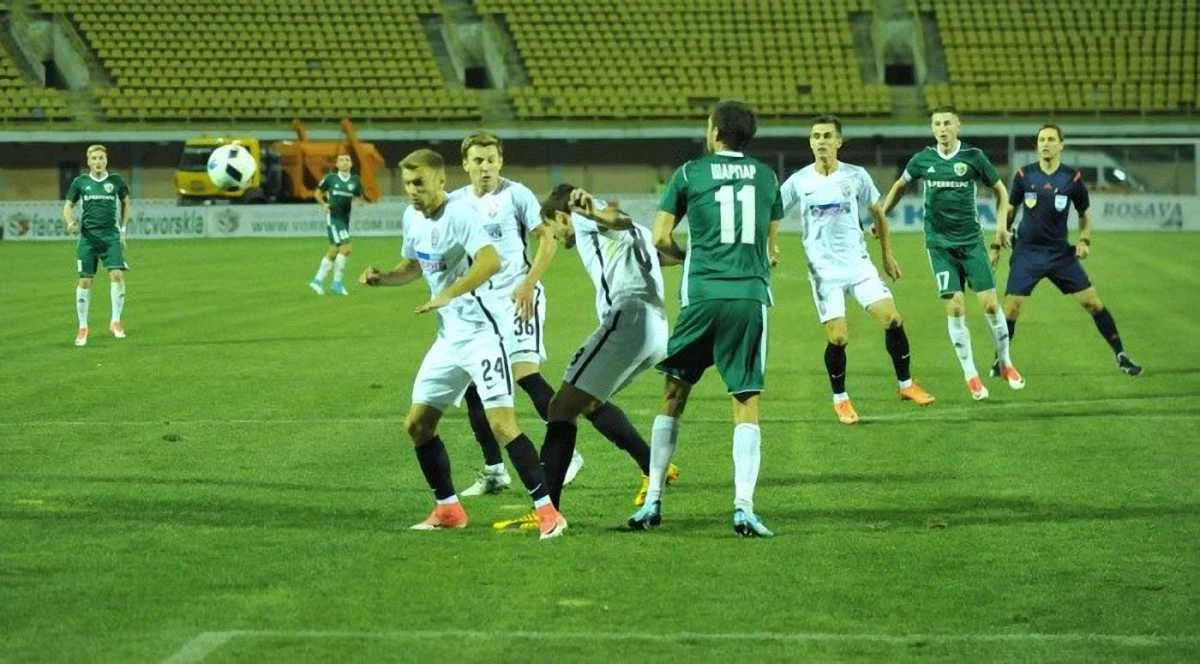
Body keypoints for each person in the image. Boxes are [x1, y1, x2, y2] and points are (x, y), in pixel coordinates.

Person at [358, 148, 566, 540]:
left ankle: (549, 513)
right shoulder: (411, 218)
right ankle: (448, 509)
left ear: (441, 181)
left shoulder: (462, 214)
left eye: (419, 183)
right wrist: (382, 278)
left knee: (502, 424)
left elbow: (490, 262)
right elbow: (413, 266)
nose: (412, 190)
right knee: (418, 424)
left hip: (482, 335)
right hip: (448, 339)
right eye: (407, 184)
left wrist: (449, 294)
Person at [448, 131, 653, 513]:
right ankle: (494, 470)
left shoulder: (517, 195)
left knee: (527, 375)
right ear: (465, 164)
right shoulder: (455, 202)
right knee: (475, 384)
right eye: (478, 160)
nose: (486, 166)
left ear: (501, 161)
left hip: (518, 299)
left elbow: (547, 240)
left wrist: (528, 284)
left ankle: (569, 455)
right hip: (478, 307)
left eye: (491, 159)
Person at [628, 100, 781, 538]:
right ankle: (743, 507)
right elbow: (772, 249)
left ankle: (653, 499)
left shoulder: (689, 173)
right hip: (748, 297)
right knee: (745, 399)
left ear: (715, 132)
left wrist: (687, 256)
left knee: (674, 394)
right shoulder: (767, 177)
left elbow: (660, 237)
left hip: (702, 296)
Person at [535, 185, 681, 515]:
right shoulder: (636, 231)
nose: (555, 236)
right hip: (656, 329)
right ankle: (651, 466)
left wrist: (593, 213)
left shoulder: (585, 217)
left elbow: (616, 218)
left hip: (629, 319)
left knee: (560, 407)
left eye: (553, 228)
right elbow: (660, 255)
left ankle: (547, 513)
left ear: (561, 217)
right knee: (589, 402)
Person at [780, 115, 936, 424]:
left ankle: (906, 385)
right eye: (816, 136)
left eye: (827, 136)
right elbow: (772, 210)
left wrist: (887, 255)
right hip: (824, 272)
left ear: (839, 141)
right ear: (810, 142)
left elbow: (878, 213)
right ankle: (840, 400)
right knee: (838, 338)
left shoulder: (856, 176)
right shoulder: (799, 180)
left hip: (858, 265)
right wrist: (769, 244)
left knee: (893, 319)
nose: (821, 141)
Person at [880, 106, 1023, 400]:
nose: (942, 128)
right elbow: (900, 185)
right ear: (932, 129)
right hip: (939, 246)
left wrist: (1000, 227)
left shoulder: (974, 157)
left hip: (972, 243)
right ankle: (971, 375)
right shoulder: (923, 159)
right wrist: (882, 215)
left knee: (991, 306)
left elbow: (1001, 190)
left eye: (947, 123)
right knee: (956, 309)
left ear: (958, 126)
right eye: (937, 124)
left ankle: (1006, 363)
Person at [993, 124, 1142, 376]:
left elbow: (1085, 214)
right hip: (1027, 252)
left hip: (1059, 254)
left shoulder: (1071, 178)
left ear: (1061, 145)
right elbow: (1010, 210)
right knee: (1012, 308)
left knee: (1093, 303)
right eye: (1041, 139)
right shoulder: (1024, 175)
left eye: (1051, 139)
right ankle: (1001, 362)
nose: (1045, 144)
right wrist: (998, 242)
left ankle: (1121, 355)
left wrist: (1084, 241)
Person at [63, 144, 131, 347]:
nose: (98, 162)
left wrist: (123, 230)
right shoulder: (80, 182)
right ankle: (83, 326)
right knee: (85, 281)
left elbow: (127, 202)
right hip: (88, 238)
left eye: (101, 158)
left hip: (110, 237)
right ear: (88, 161)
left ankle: (115, 321)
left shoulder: (116, 181)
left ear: (106, 160)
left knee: (117, 275)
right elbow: (68, 205)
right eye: (94, 158)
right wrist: (70, 222)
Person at [309, 151, 366, 296]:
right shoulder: (331, 178)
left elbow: (359, 196)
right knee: (346, 248)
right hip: (334, 218)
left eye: (347, 160)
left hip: (345, 219)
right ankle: (337, 283)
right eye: (341, 160)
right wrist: (323, 204)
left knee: (334, 250)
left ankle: (317, 281)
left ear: (351, 164)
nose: (345, 162)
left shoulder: (355, 181)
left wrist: (360, 202)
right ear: (337, 164)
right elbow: (317, 192)